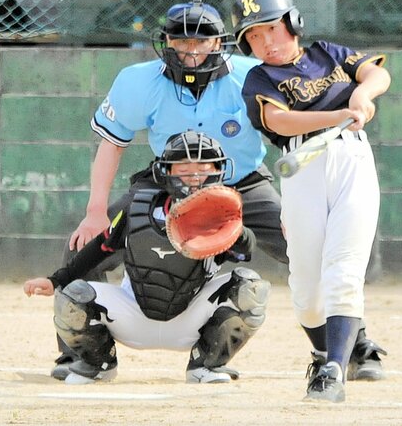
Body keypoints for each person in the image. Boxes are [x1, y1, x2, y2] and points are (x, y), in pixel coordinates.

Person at [55, 0, 384, 384]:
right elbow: (112, 144)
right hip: (170, 184)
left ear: (219, 43)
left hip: (242, 181)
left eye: (201, 40)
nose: (191, 50)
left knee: (302, 249)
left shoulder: (253, 75)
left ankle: (355, 343)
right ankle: (76, 352)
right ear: (166, 42)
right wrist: (95, 212)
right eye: (181, 40)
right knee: (84, 244)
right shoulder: (137, 80)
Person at [231, 0, 391, 403]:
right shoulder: (258, 79)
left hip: (351, 160)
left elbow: (378, 73)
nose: (265, 41)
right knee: (305, 289)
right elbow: (279, 123)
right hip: (302, 167)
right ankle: (325, 353)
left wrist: (362, 93)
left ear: (292, 21)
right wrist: (339, 112)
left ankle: (335, 370)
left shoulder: (327, 54)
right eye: (253, 35)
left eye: (271, 28)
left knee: (343, 269)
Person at [24, 131, 271, 385]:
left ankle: (205, 365)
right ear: (166, 171)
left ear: (218, 170)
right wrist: (55, 280)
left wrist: (234, 229)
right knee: (72, 295)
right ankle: (99, 364)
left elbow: (245, 250)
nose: (194, 172)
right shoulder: (138, 208)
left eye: (203, 165)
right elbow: (99, 248)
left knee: (250, 288)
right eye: (183, 165)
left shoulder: (222, 216)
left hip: (191, 319)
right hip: (133, 315)